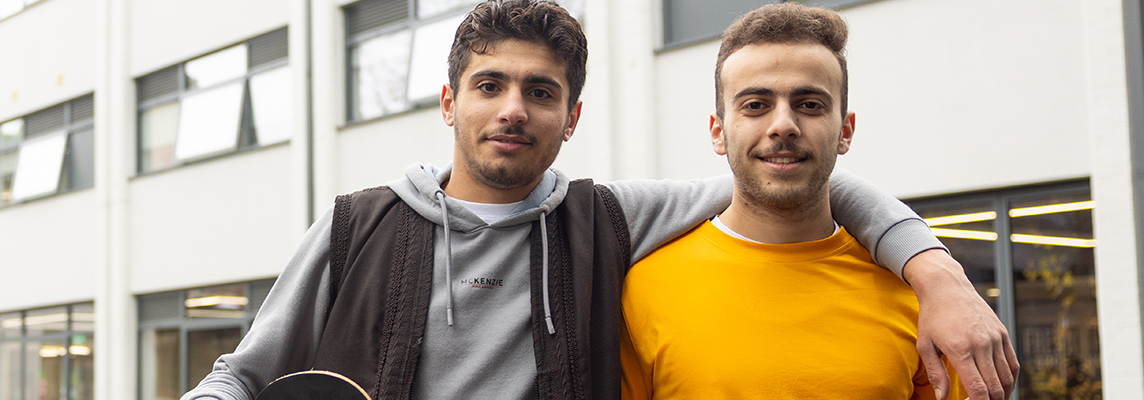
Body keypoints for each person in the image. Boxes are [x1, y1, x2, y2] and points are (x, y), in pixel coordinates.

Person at [182, 1, 1014, 400]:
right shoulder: (355, 226)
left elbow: (792, 177)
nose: (513, 108)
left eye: (540, 92)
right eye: (490, 86)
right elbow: (240, 377)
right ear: (448, 103)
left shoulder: (606, 217)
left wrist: (937, 275)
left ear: (571, 116)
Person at [621, 4, 974, 399]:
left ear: (845, 130)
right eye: (755, 105)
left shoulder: (919, 297)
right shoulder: (642, 292)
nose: (783, 125)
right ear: (718, 132)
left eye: (809, 104)